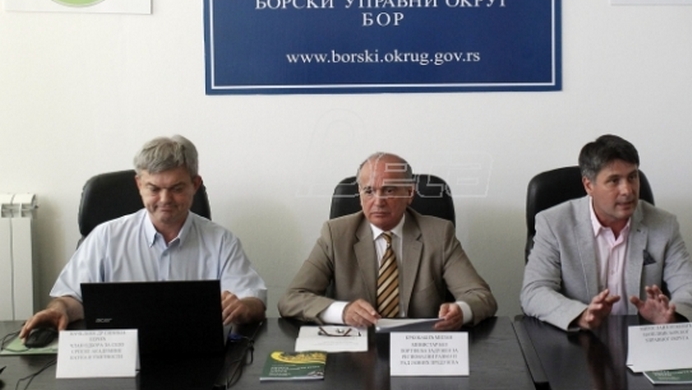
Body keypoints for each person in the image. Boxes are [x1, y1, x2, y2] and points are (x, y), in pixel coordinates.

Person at [21, 135, 267, 339]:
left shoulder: (221, 242)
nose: (165, 200)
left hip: (198, 357)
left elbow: (253, 300)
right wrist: (59, 309)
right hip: (118, 357)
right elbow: (72, 298)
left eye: (176, 188)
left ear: (195, 184)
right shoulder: (106, 237)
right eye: (154, 188)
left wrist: (243, 307)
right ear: (139, 185)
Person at [278, 152, 497, 330]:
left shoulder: (439, 234)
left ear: (409, 193)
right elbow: (292, 299)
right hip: (355, 350)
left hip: (417, 347)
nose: (378, 201)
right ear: (359, 194)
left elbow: (481, 296)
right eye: (369, 191)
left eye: (389, 190)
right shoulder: (336, 234)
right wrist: (342, 312)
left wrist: (461, 311)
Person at [520, 134, 692, 331]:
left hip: (642, 340)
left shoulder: (664, 225)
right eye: (614, 180)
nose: (627, 190)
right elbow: (534, 292)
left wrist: (672, 315)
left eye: (632, 177)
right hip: (577, 340)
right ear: (589, 185)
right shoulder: (554, 224)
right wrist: (582, 316)